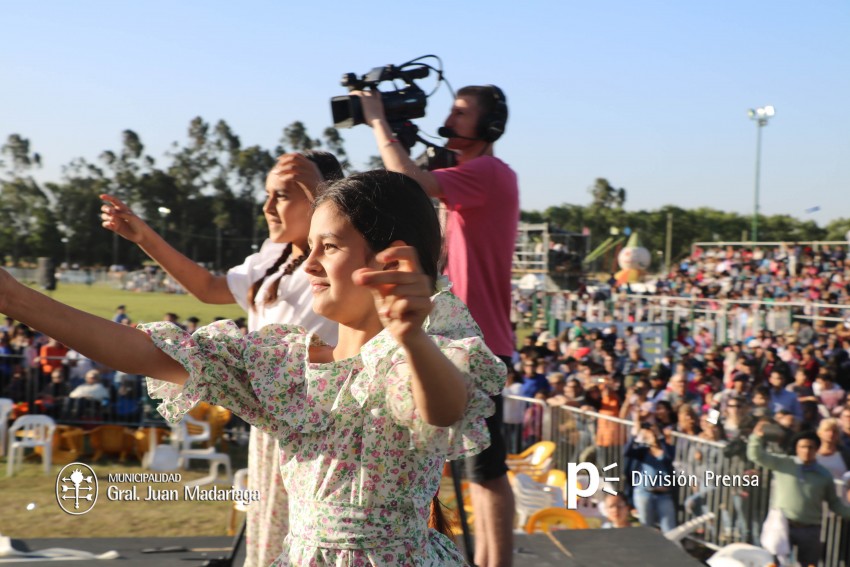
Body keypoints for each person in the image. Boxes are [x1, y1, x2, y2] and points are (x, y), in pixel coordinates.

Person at [0, 170, 504, 566]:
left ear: (393, 261)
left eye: (327, 247)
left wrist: (410, 335)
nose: (308, 266)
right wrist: (14, 297)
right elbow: (140, 350)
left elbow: (440, 407)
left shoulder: (417, 353)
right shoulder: (283, 364)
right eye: (308, 248)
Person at [100, 151, 341, 567]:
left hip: (322, 424)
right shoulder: (274, 258)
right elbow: (209, 288)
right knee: (272, 537)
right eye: (266, 195)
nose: (267, 208)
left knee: (317, 537)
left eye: (282, 195)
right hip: (271, 426)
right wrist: (145, 237)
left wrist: (328, 197)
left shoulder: (342, 259)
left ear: (321, 200)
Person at [356, 84, 516, 566]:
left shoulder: (487, 171)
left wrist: (377, 121)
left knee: (485, 473)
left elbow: (405, 178)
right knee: (461, 472)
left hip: (478, 339)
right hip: (459, 333)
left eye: (460, 112)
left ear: (489, 126)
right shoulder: (471, 175)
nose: (450, 117)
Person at [748, 424, 850, 567]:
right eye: (803, 447)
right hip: (783, 525)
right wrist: (756, 438)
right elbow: (756, 456)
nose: (807, 450)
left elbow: (834, 503)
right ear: (797, 448)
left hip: (810, 528)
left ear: (817, 449)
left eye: (811, 447)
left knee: (809, 564)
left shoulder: (824, 474)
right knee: (774, 563)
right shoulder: (784, 463)